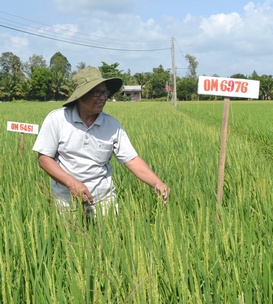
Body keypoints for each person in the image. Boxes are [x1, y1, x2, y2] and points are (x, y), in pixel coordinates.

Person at [33, 66, 170, 217]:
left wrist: (157, 183)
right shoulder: (57, 120)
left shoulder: (112, 125)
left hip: (103, 201)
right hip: (66, 200)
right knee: (69, 239)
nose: (103, 97)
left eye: (105, 93)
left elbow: (131, 160)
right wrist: (72, 183)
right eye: (97, 92)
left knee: (107, 239)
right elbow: (44, 159)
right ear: (80, 95)